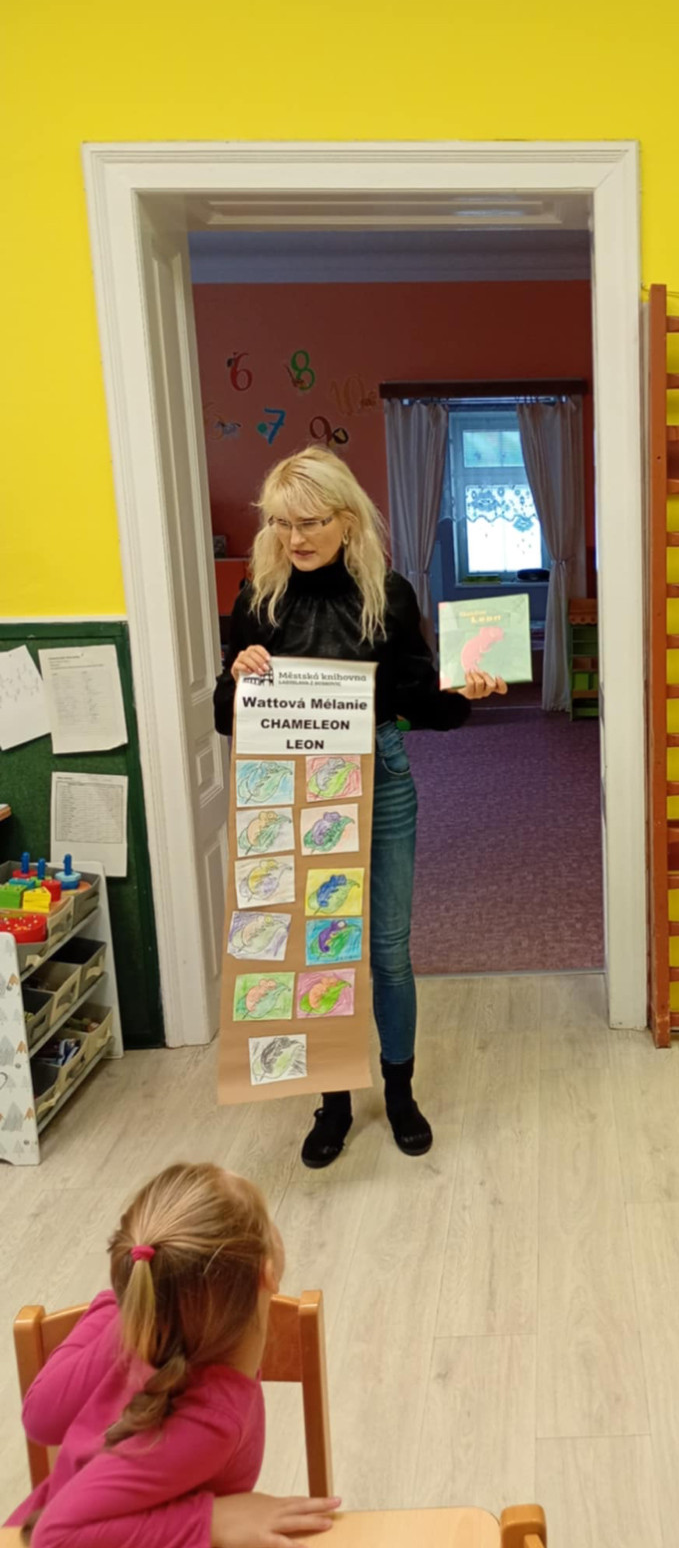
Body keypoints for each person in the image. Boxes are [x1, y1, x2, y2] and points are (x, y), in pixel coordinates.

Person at [213, 447, 505, 1168]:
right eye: (282, 523)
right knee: (320, 949)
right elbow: (226, 716)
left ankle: (399, 1092)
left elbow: (422, 704)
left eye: (310, 522)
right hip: (292, 786)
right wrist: (238, 676)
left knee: (389, 951)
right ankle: (334, 1103)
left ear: (347, 519)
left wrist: (463, 694)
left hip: (381, 777)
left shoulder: (389, 595)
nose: (296, 538)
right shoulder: (259, 599)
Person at [5, 1163, 339, 1548]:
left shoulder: (143, 1323)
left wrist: (133, 1310)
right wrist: (210, 1523)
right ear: (266, 1274)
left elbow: (40, 1420)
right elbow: (55, 1539)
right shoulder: (214, 1419)